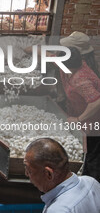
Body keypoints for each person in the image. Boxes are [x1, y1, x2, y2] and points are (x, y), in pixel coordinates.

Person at [57, 46, 100, 182]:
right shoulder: (65, 63)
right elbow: (48, 55)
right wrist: (33, 50)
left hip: (94, 121)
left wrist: (78, 119)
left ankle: (90, 184)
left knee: (93, 156)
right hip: (80, 114)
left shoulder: (81, 80)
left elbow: (96, 102)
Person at [24, 138, 100, 212]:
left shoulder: (59, 210)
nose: (26, 174)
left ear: (49, 174)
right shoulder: (91, 182)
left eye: (29, 171)